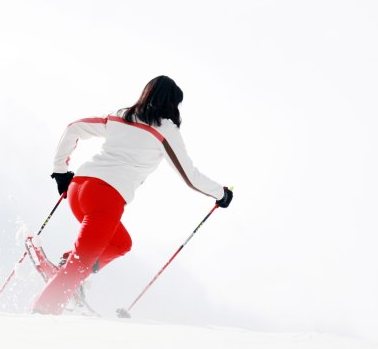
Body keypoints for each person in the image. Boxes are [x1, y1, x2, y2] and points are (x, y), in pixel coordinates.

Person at [32, 75, 232, 315]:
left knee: (120, 243)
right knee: (80, 264)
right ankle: (42, 313)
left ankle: (67, 271)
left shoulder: (120, 116)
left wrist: (60, 172)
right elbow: (190, 175)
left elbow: (74, 128)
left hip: (78, 189)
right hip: (106, 198)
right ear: (173, 103)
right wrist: (221, 193)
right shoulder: (166, 129)